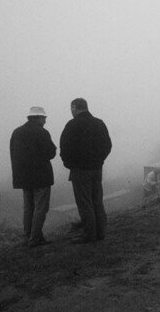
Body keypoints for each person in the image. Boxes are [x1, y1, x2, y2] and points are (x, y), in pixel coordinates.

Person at [60, 98, 112, 244]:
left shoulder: (72, 125)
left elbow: (65, 148)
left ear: (74, 108)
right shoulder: (99, 123)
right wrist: (99, 160)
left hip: (79, 170)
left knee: (84, 203)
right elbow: (107, 145)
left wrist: (70, 164)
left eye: (71, 109)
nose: (71, 112)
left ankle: (89, 234)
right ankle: (100, 233)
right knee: (97, 200)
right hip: (96, 168)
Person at [10, 106, 56, 248]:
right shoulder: (42, 132)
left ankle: (28, 236)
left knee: (28, 208)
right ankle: (35, 238)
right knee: (40, 208)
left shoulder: (16, 132)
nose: (45, 121)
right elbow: (51, 153)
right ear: (39, 118)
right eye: (44, 118)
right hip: (41, 177)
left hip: (23, 177)